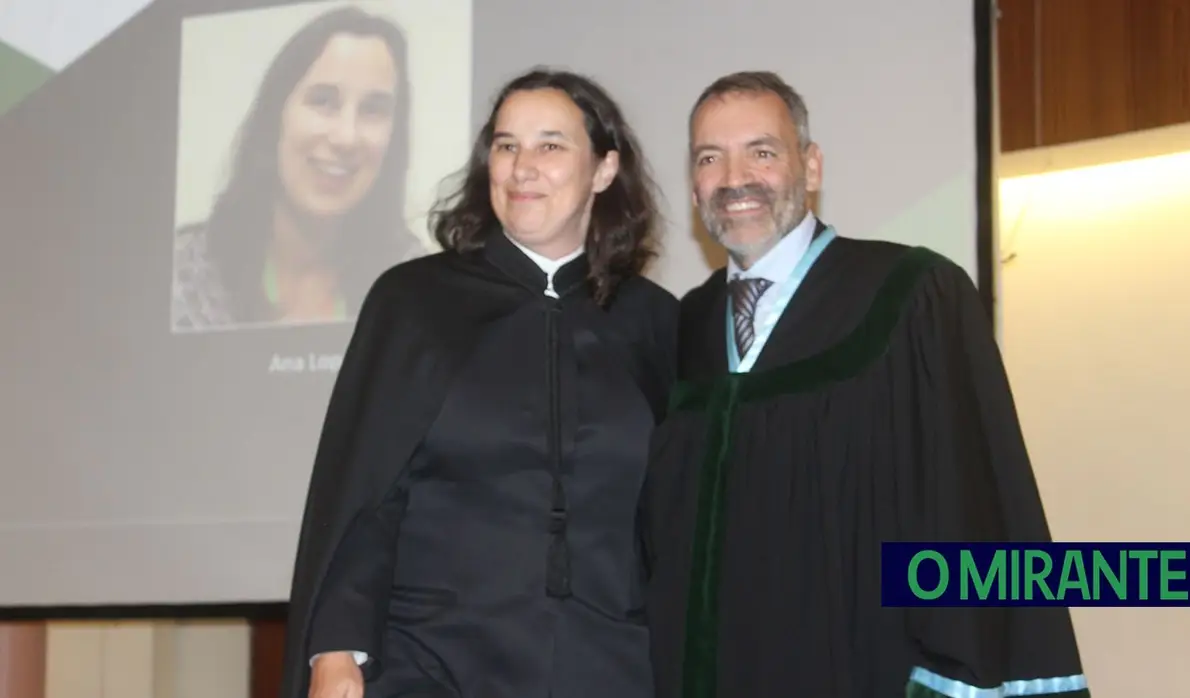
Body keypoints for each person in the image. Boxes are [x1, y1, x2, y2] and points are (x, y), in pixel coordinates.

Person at [641, 71, 1091, 698]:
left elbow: (966, 505)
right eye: (710, 158)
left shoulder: (910, 295)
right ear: (694, 185)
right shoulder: (682, 327)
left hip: (860, 668)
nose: (734, 177)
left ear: (812, 166)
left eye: (762, 152)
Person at [278, 68, 679, 698]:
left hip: (610, 664)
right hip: (431, 661)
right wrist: (336, 649)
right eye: (505, 145)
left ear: (603, 171)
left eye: (550, 145)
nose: (523, 167)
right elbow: (364, 497)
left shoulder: (656, 322)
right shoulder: (413, 302)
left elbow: (677, 517)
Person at [170, 6, 423, 332]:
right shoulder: (185, 275)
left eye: (373, 110)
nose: (346, 136)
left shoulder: (420, 286)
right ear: (275, 117)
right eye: (323, 101)